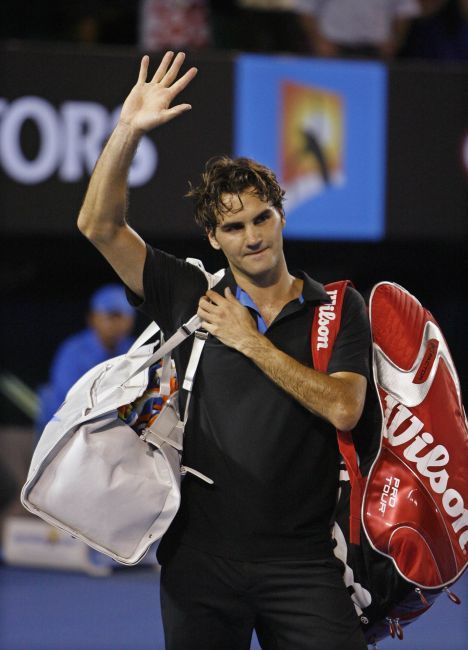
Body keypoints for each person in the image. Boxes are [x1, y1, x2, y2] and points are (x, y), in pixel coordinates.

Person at [77, 51, 370, 649]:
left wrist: (250, 341)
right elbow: (99, 226)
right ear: (213, 238)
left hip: (303, 563)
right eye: (233, 229)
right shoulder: (187, 292)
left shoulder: (338, 307)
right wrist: (127, 130)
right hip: (201, 563)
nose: (253, 237)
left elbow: (344, 407)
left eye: (262, 218)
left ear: (281, 215)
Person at [35, 284, 135, 434]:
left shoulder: (134, 349)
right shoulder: (73, 351)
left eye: (122, 317)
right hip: (64, 429)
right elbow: (70, 401)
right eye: (110, 316)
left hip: (112, 427)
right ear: (92, 318)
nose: (116, 324)